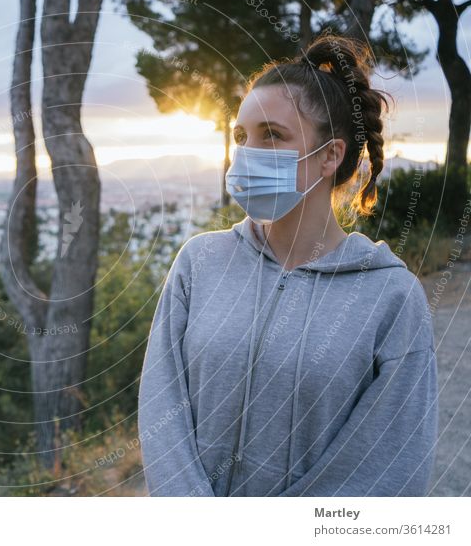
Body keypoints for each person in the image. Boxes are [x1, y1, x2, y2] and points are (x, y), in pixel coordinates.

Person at [137, 33, 439, 497]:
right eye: (241, 136)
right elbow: (162, 407)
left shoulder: (391, 299)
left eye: (272, 135)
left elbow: (388, 464)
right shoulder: (199, 264)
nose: (247, 153)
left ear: (330, 155)